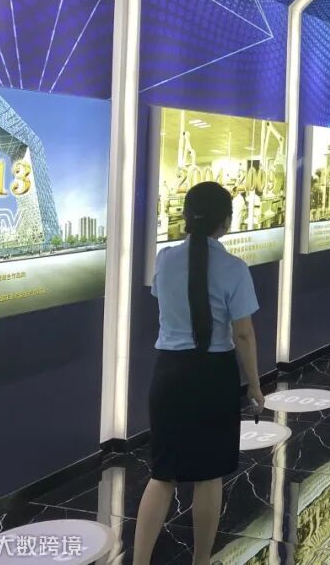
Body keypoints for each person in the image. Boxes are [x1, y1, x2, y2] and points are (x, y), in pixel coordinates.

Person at [134, 182, 263, 565]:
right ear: (226, 221)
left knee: (163, 475)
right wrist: (255, 386)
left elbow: (161, 299)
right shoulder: (235, 269)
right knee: (209, 476)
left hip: (169, 373)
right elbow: (243, 334)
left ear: (187, 217)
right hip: (213, 376)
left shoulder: (165, 259)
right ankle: (201, 559)